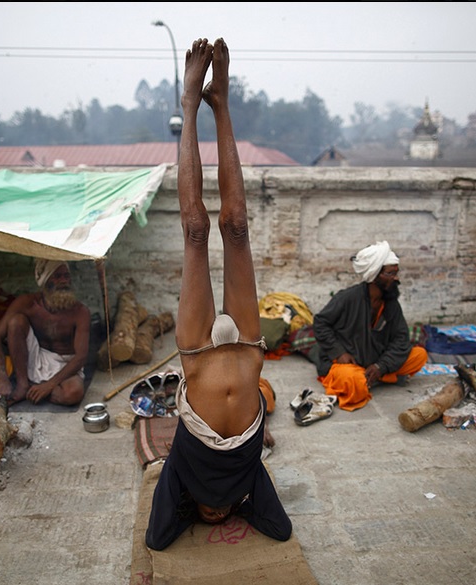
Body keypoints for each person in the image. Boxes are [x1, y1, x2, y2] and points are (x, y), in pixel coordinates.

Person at [145, 37, 292, 551]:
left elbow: (158, 537)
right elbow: (279, 527)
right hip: (247, 346)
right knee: (237, 228)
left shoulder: (182, 469)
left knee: (194, 230)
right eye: (222, 510)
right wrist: (240, 501)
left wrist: (189, 505)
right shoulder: (248, 477)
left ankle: (190, 103)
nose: (216, 511)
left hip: (198, 353)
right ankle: (221, 103)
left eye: (206, 511)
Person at [309, 241, 429, 411]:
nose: (396, 278)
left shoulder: (391, 303)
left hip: (376, 360)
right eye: (390, 273)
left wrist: (381, 366)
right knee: (353, 381)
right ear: (374, 276)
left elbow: (401, 339)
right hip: (348, 363)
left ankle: (374, 377)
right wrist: (339, 352)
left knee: (419, 355)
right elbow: (321, 323)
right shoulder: (347, 298)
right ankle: (377, 379)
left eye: (396, 273)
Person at [0, 259, 90, 407]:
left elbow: (81, 357)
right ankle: (23, 384)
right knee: (16, 322)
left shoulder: (80, 312)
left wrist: (49, 385)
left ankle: (34, 388)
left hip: (66, 364)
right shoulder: (27, 303)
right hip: (36, 357)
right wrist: (2, 379)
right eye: (57, 276)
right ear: (45, 281)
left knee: (73, 393)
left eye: (66, 276)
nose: (64, 281)